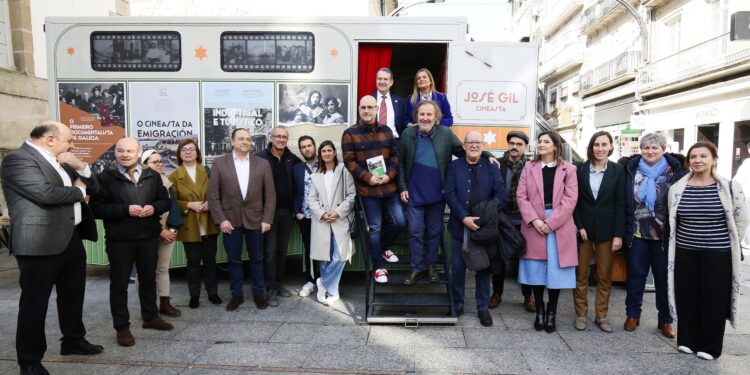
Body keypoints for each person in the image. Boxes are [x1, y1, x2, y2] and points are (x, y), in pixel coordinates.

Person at [1, 121, 103, 375]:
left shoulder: (63, 161)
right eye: (68, 140)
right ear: (49, 139)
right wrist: (80, 193)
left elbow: (96, 188)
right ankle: (30, 360)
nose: (72, 145)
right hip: (39, 243)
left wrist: (81, 167)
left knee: (73, 294)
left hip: (70, 237)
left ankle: (73, 340)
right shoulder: (18, 160)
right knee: (35, 304)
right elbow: (45, 194)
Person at [398, 100, 496, 285]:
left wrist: (487, 155)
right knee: (415, 232)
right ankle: (416, 268)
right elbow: (401, 163)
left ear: (436, 117)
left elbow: (463, 150)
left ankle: (431, 266)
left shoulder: (445, 133)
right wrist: (402, 186)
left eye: (429, 114)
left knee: (435, 232)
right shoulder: (407, 134)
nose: (425, 118)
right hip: (414, 194)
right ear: (416, 116)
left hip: (437, 194)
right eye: (422, 114)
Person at [89, 137, 173, 347]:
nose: (125, 154)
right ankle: (122, 327)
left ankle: (151, 317)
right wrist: (125, 210)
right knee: (119, 284)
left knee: (148, 279)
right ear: (115, 152)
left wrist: (154, 208)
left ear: (139, 152)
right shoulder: (104, 178)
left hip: (148, 237)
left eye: (129, 151)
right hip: (120, 239)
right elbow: (96, 209)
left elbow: (165, 201)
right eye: (120, 150)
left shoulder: (152, 176)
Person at [666, 142, 748, 360]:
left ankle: (710, 346)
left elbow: (741, 220)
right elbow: (673, 220)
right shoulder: (677, 188)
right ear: (688, 161)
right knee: (687, 295)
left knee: (713, 298)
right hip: (685, 250)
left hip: (717, 253)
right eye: (693, 157)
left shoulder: (731, 187)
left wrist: (729, 242)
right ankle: (687, 340)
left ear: (714, 159)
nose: (698, 160)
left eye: (703, 156)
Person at [623, 133, 685, 338]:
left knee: (664, 278)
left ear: (663, 149)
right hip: (637, 233)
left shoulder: (676, 171)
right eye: (646, 148)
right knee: (636, 276)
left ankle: (665, 320)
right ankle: (632, 315)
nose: (650, 151)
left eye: (654, 148)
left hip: (665, 236)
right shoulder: (631, 169)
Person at [517, 130, 578, 333]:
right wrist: (534, 220)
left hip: (559, 223)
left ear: (555, 145)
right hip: (533, 221)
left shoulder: (568, 169)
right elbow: (521, 196)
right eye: (540, 141)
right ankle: (539, 312)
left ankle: (552, 313)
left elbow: (570, 200)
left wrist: (550, 223)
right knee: (535, 270)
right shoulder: (529, 167)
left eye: (546, 141)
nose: (541, 144)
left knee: (556, 271)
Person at [208, 128, 275, 311]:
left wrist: (267, 219)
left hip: (256, 219)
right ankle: (236, 295)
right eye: (241, 139)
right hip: (230, 220)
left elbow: (270, 195)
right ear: (232, 141)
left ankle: (258, 294)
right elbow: (213, 195)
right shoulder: (220, 163)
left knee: (257, 259)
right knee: (234, 260)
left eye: (248, 139)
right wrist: (221, 219)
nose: (245, 142)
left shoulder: (262, 164)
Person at [444, 130, 506, 326]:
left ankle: (482, 308)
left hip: (484, 228)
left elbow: (501, 193)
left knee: (483, 268)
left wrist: (487, 213)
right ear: (463, 146)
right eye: (470, 142)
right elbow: (450, 193)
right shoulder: (454, 167)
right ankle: (458, 304)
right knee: (458, 268)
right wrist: (463, 217)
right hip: (459, 225)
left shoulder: (491, 167)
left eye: (477, 143)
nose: (474, 145)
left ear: (483, 146)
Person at [341, 95, 405, 283]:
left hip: (389, 186)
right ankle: (379, 267)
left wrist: (389, 175)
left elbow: (395, 156)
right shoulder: (350, 133)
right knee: (375, 228)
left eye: (370, 107)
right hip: (368, 191)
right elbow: (349, 161)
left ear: (377, 109)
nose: (367, 111)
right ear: (359, 110)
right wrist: (368, 178)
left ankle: (383, 248)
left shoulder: (387, 131)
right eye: (363, 107)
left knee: (400, 222)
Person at [572, 131, 625, 333]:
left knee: (604, 275)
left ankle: (601, 315)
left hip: (608, 230)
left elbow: (621, 204)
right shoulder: (579, 169)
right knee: (581, 274)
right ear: (591, 146)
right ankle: (581, 314)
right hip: (584, 229)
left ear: (611, 146)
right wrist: (579, 226)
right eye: (596, 144)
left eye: (604, 144)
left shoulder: (618, 170)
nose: (600, 148)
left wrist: (618, 234)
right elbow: (574, 201)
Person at [168, 139, 222, 309]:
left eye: (191, 149)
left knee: (210, 261)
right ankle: (194, 295)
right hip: (189, 223)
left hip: (208, 222)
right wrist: (189, 205)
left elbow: (217, 192)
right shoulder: (174, 176)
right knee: (192, 262)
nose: (188, 152)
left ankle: (213, 293)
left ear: (197, 153)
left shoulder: (207, 171)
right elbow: (171, 202)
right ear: (179, 154)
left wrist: (209, 203)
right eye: (184, 149)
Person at [255, 126, 302, 306]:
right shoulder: (260, 158)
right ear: (271, 138)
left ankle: (279, 283)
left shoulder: (291, 158)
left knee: (282, 251)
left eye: (284, 137)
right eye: (278, 136)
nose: (281, 140)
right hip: (267, 213)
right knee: (270, 252)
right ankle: (271, 289)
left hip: (286, 212)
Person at [308, 141, 357, 306]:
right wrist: (322, 214)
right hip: (322, 221)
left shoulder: (344, 171)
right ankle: (333, 292)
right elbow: (311, 199)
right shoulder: (316, 174)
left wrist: (337, 212)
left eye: (329, 150)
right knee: (325, 257)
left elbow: (352, 195)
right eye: (323, 151)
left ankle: (323, 282)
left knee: (339, 256)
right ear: (320, 154)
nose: (327, 153)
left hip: (340, 219)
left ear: (335, 152)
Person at [492, 130, 535, 312]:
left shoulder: (532, 167)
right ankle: (497, 294)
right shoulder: (498, 164)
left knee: (525, 259)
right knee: (499, 259)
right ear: (508, 145)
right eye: (512, 143)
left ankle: (528, 296)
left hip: (525, 220)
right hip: (503, 218)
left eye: (519, 144)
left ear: (525, 147)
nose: (515, 147)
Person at [141, 149, 184, 318]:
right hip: (149, 232)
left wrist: (172, 230)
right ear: (144, 165)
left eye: (160, 161)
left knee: (163, 268)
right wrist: (161, 231)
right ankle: (148, 307)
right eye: (154, 162)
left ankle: (165, 303)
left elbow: (173, 207)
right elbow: (144, 210)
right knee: (145, 270)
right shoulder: (140, 183)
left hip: (168, 231)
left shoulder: (166, 182)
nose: (159, 165)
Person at [294, 135, 319, 297]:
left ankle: (325, 281)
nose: (307, 149)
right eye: (303, 147)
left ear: (314, 146)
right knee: (310, 249)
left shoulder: (327, 164)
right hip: (306, 217)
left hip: (324, 216)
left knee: (326, 249)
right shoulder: (297, 168)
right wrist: (297, 212)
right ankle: (311, 280)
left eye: (309, 145)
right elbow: (293, 192)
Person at [371, 67, 406, 139]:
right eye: (379, 79)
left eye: (385, 79)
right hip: (373, 141)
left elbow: (404, 124)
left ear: (391, 82)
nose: (382, 81)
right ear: (376, 81)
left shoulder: (400, 102)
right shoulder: (369, 99)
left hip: (394, 143)